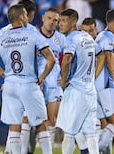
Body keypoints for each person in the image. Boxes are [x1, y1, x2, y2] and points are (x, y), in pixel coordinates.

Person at [0, 4, 55, 154]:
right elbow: (51, 59)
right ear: (21, 17)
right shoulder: (32, 33)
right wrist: (42, 77)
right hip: (28, 84)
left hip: (10, 85)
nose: (28, 18)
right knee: (41, 124)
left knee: (14, 126)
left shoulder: (1, 36)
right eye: (26, 15)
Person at [0, 0, 38, 154]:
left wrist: (0, 73)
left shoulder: (4, 31)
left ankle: (10, 151)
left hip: (9, 82)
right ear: (27, 15)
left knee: (14, 121)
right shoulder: (31, 31)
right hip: (27, 81)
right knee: (25, 121)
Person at [56, 9, 100, 154]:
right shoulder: (88, 38)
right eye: (60, 21)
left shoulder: (71, 39)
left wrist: (63, 81)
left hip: (76, 90)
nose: (60, 24)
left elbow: (67, 60)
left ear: (74, 22)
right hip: (90, 91)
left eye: (64, 21)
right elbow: (99, 55)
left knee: (69, 133)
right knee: (91, 134)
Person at [95, 9, 114, 153]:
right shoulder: (109, 38)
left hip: (99, 85)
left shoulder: (100, 35)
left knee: (105, 125)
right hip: (107, 85)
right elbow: (109, 62)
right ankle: (95, 150)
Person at [38, 8, 65, 148]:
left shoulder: (61, 39)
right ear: (43, 18)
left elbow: (70, 60)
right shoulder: (34, 35)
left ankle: (49, 148)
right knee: (34, 119)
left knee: (52, 119)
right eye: (49, 18)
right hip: (37, 82)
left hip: (54, 82)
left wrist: (67, 77)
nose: (51, 22)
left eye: (55, 20)